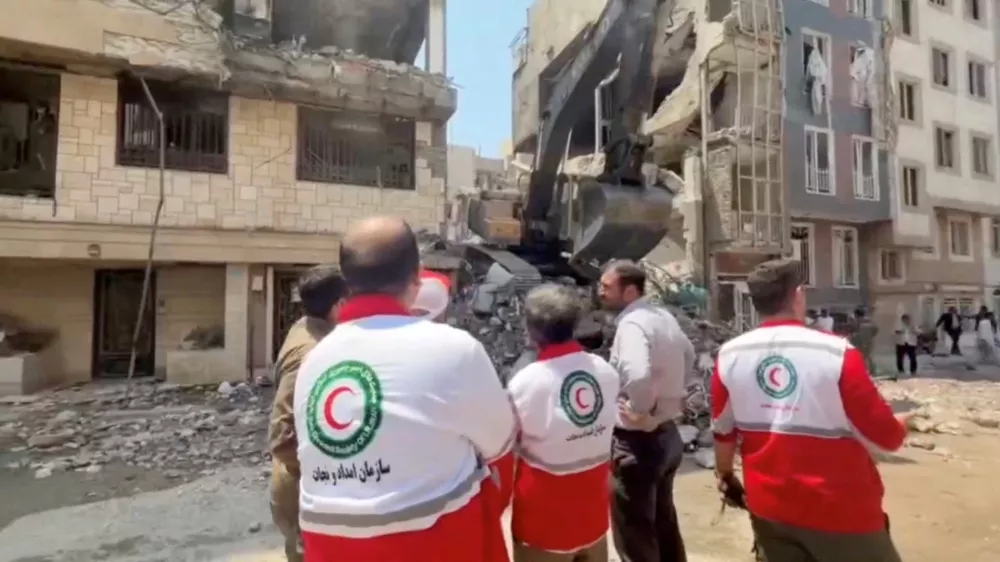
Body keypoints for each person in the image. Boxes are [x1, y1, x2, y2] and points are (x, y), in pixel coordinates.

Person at [293, 216, 517, 562]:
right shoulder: (454, 348)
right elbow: (501, 450)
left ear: (346, 282)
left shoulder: (313, 363)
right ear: (417, 275)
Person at [711, 258, 909, 562]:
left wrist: (725, 475)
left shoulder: (729, 354)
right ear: (798, 294)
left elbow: (723, 431)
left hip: (770, 509)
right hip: (841, 512)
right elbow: (887, 438)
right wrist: (902, 423)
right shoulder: (836, 352)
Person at [507, 284, 620, 562]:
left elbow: (503, 448)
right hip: (592, 512)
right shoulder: (605, 372)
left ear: (531, 330)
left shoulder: (527, 383)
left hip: (544, 522)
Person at [598, 260, 693, 562]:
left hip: (638, 441)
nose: (600, 292)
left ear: (629, 291)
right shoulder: (662, 316)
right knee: (663, 521)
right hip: (668, 435)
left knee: (635, 532)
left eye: (606, 287)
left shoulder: (631, 323)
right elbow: (689, 354)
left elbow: (636, 375)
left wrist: (641, 412)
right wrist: (669, 399)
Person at [268, 265, 347, 562]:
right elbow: (281, 436)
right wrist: (328, 467)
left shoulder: (306, 326)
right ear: (339, 305)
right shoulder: (312, 351)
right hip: (302, 491)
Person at [849, 307, 879, 375]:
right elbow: (876, 330)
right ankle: (872, 372)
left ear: (856, 315)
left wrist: (852, 336)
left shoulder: (858, 322)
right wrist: (870, 337)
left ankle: (865, 372)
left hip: (861, 342)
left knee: (863, 357)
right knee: (868, 356)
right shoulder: (870, 322)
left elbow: (856, 332)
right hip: (869, 342)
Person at [894, 314, 918, 380]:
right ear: (902, 320)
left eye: (907, 319)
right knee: (900, 358)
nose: (906, 321)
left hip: (911, 343)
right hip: (901, 343)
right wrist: (900, 331)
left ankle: (913, 371)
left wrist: (914, 330)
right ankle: (901, 370)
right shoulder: (899, 325)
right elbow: (895, 331)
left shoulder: (913, 326)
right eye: (904, 319)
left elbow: (919, 332)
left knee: (913, 357)